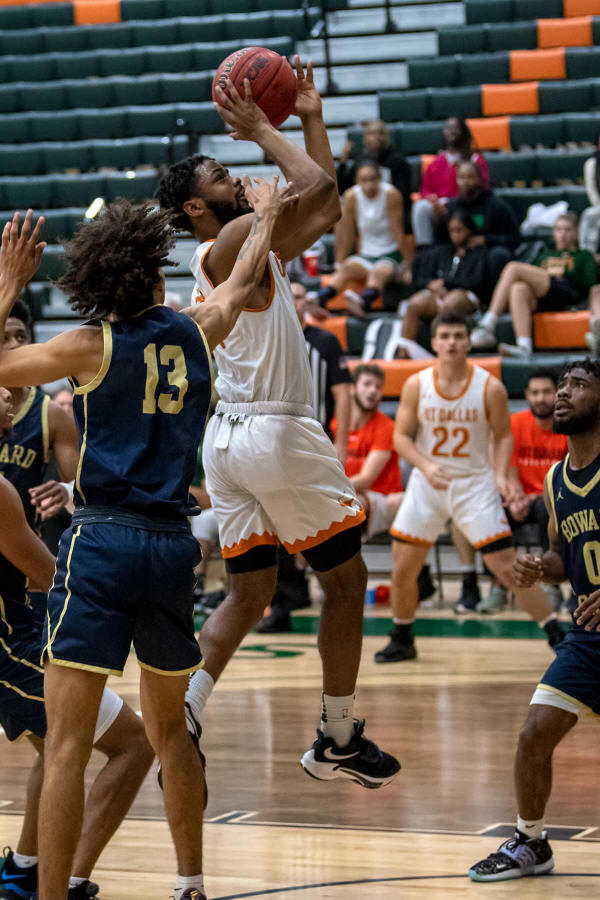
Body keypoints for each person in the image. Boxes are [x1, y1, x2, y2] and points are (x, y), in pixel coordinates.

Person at [0, 178, 292, 900]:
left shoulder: (86, 346)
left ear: (96, 283)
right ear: (154, 276)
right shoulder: (196, 329)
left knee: (67, 747)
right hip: (169, 546)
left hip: (102, 544)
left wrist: (7, 286)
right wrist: (266, 218)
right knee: (170, 731)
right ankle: (190, 883)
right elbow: (242, 281)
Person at [157, 60, 401, 789]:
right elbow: (319, 192)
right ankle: (338, 736)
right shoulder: (235, 238)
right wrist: (267, 129)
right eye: (217, 175)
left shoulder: (236, 243)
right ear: (195, 207)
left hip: (231, 439)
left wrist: (310, 117)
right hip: (275, 431)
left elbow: (323, 208)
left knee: (249, 592)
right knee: (348, 582)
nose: (233, 176)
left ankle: (184, 713)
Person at [0, 386, 154, 900]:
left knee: (57, 749)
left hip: (20, 631)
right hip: (9, 650)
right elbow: (48, 575)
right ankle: (64, 883)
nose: (8, 391)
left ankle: (25, 872)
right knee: (133, 745)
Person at [469, 359, 600, 882]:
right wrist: (539, 566)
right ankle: (530, 842)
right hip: (587, 636)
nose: (563, 393)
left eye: (579, 385)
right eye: (561, 385)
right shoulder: (555, 479)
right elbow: (562, 555)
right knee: (534, 734)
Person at [374, 311, 564, 663]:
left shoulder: (490, 387)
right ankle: (402, 635)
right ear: (434, 342)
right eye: (445, 336)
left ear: (469, 341)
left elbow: (503, 436)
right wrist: (426, 465)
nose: (451, 342)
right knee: (403, 568)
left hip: (474, 484)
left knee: (506, 568)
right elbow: (401, 438)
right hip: (427, 485)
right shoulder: (417, 384)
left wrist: (501, 475)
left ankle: (556, 634)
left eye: (458, 335)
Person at [257, 280, 354, 634]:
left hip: (316, 444)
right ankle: (285, 601)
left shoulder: (324, 341)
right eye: (289, 295)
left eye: (299, 296)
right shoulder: (269, 337)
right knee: (279, 521)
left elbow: (344, 394)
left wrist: (341, 443)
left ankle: (334, 593)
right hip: (275, 444)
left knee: (322, 520)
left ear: (306, 303)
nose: (294, 301)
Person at [471, 212, 598, 357]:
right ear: (553, 232)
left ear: (576, 232)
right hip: (546, 295)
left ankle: (488, 324)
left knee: (514, 267)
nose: (562, 234)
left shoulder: (584, 255)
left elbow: (590, 283)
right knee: (518, 288)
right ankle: (524, 346)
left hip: (569, 291)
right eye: (558, 229)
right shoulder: (544, 254)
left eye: (567, 229)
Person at [1, 299, 79, 528]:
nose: (15, 345)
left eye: (21, 337)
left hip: (23, 539)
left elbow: (83, 491)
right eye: (4, 338)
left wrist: (66, 491)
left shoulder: (51, 414)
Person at [320, 159, 410, 316]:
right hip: (366, 254)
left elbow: (398, 232)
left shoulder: (391, 194)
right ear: (357, 181)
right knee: (345, 269)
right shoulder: (351, 196)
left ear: (379, 178)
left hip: (390, 254)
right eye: (364, 180)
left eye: (372, 179)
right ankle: (319, 300)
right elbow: (347, 234)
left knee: (378, 273)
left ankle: (361, 302)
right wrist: (339, 261)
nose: (369, 185)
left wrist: (408, 265)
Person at [331, 363, 403, 539]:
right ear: (353, 389)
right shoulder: (335, 424)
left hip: (379, 497)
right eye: (367, 384)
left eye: (378, 387)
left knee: (350, 505)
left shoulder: (386, 426)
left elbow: (366, 479)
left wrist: (329, 491)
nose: (373, 391)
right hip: (345, 493)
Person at [401, 211, 489, 343]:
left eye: (459, 230)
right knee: (414, 304)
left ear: (469, 230)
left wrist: (446, 284)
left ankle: (443, 346)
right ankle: (404, 350)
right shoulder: (442, 252)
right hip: (438, 294)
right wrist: (431, 284)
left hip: (466, 295)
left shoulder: (479, 252)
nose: (455, 235)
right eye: (452, 231)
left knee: (450, 303)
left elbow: (477, 281)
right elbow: (422, 279)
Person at [438, 160, 520, 285]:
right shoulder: (451, 207)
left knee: (499, 254)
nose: (465, 182)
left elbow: (515, 239)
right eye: (461, 177)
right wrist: (438, 219)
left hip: (486, 254)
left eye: (470, 177)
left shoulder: (497, 206)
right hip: (460, 253)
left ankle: (495, 294)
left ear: (479, 179)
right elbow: (441, 239)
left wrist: (486, 240)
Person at [411, 117, 489, 249]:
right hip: (439, 205)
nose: (451, 131)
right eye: (448, 128)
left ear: (463, 131)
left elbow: (483, 186)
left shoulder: (475, 159)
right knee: (420, 207)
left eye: (455, 128)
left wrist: (452, 203)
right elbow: (425, 189)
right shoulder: (438, 161)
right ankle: (425, 250)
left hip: (465, 203)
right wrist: (433, 200)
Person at [336, 119, 412, 230]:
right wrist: (343, 163)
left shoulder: (398, 161)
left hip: (390, 210)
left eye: (381, 133)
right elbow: (343, 189)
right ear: (364, 138)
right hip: (362, 209)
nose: (376, 137)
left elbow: (402, 195)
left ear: (387, 137)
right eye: (371, 133)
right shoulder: (359, 159)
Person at [579, 135, 600, 254]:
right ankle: (588, 254)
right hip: (599, 207)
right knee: (589, 215)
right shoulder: (592, 164)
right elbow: (592, 191)